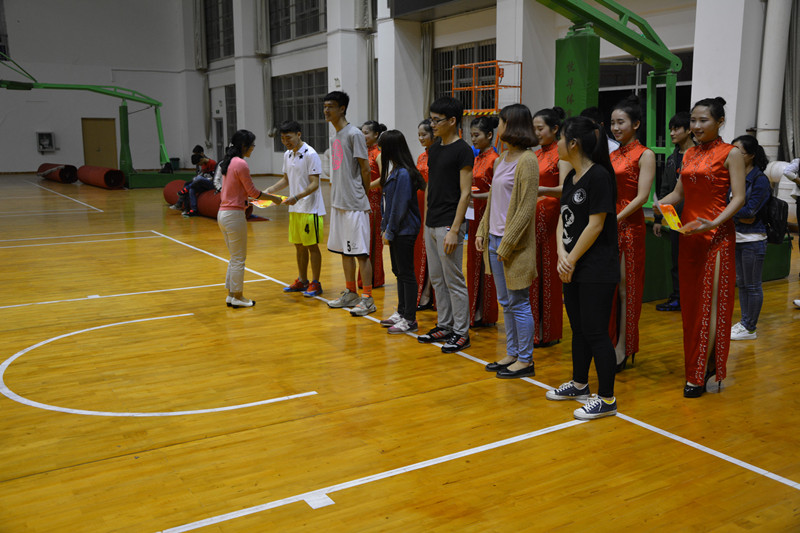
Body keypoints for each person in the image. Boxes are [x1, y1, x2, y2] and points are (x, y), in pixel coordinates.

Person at [657, 97, 746, 398]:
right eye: (693, 120)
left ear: (719, 122)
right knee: (692, 305)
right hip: (689, 235)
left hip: (716, 236)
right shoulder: (690, 153)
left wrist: (714, 223)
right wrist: (659, 204)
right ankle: (702, 365)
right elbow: (678, 193)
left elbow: (739, 198)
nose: (695, 126)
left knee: (710, 304)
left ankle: (698, 373)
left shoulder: (731, 153)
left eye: (703, 120)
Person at [545, 116, 620, 420]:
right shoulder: (571, 178)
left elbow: (596, 224)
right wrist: (562, 253)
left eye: (560, 138)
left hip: (596, 267)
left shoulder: (599, 176)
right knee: (578, 329)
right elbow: (563, 219)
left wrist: (571, 258)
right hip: (572, 264)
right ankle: (579, 384)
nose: (557, 144)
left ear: (573, 144)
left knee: (596, 332)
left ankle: (607, 398)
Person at [476, 104, 539, 379]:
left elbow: (526, 208)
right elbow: (493, 200)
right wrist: (481, 230)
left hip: (513, 244)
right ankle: (512, 353)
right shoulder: (502, 158)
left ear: (511, 125)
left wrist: (507, 243)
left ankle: (525, 360)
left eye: (501, 122)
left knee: (519, 301)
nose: (498, 127)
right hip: (494, 238)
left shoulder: (528, 160)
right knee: (506, 301)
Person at [416, 96, 474, 353]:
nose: (432, 125)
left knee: (454, 280)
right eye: (431, 119)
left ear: (452, 121)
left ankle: (461, 332)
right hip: (432, 223)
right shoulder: (435, 149)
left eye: (436, 120)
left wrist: (455, 229)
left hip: (449, 224)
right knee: (438, 279)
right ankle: (445, 325)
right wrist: (426, 221)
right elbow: (431, 187)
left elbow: (465, 193)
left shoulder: (463, 150)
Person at [608, 95, 655, 372]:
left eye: (621, 122)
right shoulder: (612, 155)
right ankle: (610, 341)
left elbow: (642, 197)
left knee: (627, 289)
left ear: (636, 124)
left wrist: (616, 218)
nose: (615, 128)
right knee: (611, 287)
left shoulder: (645, 154)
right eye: (613, 123)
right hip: (609, 224)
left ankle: (624, 346)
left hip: (630, 226)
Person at [322, 91, 376, 316]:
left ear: (342, 108)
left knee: (361, 253)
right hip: (339, 203)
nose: (326, 110)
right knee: (345, 251)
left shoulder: (354, 134)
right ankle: (351, 293)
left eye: (331, 106)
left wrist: (362, 195)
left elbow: (365, 169)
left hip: (354, 204)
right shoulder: (335, 136)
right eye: (325, 106)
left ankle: (368, 299)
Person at [217, 130, 282, 308]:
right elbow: (253, 191)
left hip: (223, 213)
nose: (253, 148)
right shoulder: (241, 164)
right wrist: (274, 198)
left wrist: (249, 198)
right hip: (233, 215)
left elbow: (239, 191)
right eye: (252, 145)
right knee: (239, 258)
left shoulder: (229, 162)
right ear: (244, 146)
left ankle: (231, 295)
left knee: (234, 257)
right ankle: (238, 297)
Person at [266, 120, 326, 298]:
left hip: (310, 208)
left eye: (288, 138)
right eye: (283, 139)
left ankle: (316, 282)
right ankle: (302, 280)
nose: (286, 141)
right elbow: (286, 179)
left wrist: (297, 197)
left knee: (311, 246)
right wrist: (269, 190)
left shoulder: (311, 154)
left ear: (299, 134)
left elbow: (315, 183)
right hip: (294, 208)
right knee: (299, 246)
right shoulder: (287, 154)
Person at [377, 130, 426, 334]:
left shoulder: (404, 173)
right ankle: (402, 311)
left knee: (406, 273)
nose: (380, 151)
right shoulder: (396, 170)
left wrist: (389, 231)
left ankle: (410, 319)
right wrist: (385, 227)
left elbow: (399, 206)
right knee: (398, 272)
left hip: (404, 231)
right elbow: (388, 205)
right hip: (396, 230)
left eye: (382, 147)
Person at [531, 106, 570, 348]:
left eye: (540, 128)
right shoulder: (535, 155)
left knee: (549, 274)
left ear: (555, 129)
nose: (536, 133)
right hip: (534, 219)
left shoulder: (561, 154)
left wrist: (541, 190)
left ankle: (550, 331)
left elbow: (565, 188)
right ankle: (534, 329)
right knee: (534, 274)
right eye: (534, 129)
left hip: (553, 217)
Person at [730, 135, 771, 340]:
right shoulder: (734, 176)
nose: (733, 155)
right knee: (743, 283)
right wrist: (736, 215)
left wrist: (729, 213)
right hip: (737, 236)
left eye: (739, 152)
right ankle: (745, 323)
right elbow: (739, 211)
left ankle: (750, 327)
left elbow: (750, 212)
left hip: (753, 238)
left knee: (752, 285)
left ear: (751, 155)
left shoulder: (759, 179)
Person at [653, 111, 694, 312]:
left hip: (695, 217)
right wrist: (657, 218)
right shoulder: (671, 158)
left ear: (689, 130)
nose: (672, 133)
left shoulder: (698, 156)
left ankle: (691, 297)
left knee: (692, 260)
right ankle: (678, 297)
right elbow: (665, 188)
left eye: (676, 128)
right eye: (670, 129)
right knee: (676, 259)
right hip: (674, 217)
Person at [467, 116, 499, 327]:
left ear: (489, 135)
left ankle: (485, 313)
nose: (473, 139)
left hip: (488, 215)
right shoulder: (477, 158)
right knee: (473, 263)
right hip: (474, 214)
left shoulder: (495, 159)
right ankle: (474, 310)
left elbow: (498, 192)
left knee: (487, 263)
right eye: (471, 135)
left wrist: (475, 196)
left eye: (476, 135)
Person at [360, 120, 387, 289]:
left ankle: (374, 279)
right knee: (362, 241)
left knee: (373, 243)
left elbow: (384, 178)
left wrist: (366, 186)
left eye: (366, 133)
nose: (363, 136)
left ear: (376, 134)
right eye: (361, 133)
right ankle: (363, 279)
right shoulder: (362, 152)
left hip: (374, 202)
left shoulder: (379, 153)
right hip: (361, 201)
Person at [415, 119, 435, 311]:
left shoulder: (438, 155)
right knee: (420, 248)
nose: (421, 138)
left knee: (430, 249)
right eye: (419, 135)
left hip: (432, 205)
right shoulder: (421, 157)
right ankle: (420, 290)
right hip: (418, 205)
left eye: (424, 134)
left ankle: (428, 292)